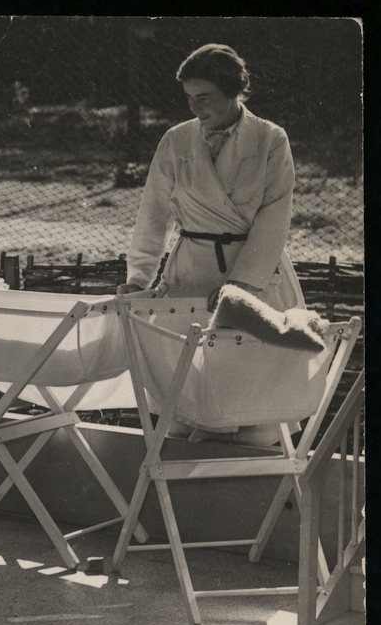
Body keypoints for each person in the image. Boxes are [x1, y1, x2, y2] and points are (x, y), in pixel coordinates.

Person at [122, 43, 305, 445]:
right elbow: (153, 213)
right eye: (189, 99)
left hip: (254, 272)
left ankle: (249, 475)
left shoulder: (270, 139)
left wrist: (241, 285)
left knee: (249, 384)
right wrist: (139, 277)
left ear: (233, 91)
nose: (195, 108)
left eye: (203, 98)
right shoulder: (176, 140)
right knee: (190, 386)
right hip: (191, 270)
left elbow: (275, 217)